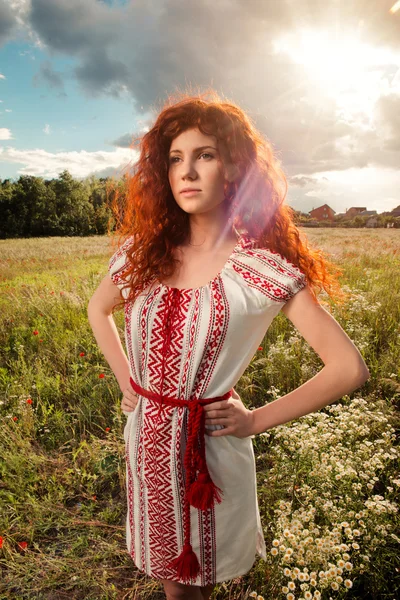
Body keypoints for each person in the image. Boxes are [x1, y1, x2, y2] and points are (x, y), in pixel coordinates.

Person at [87, 91, 370, 600]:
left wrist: (255, 420)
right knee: (174, 585)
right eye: (176, 159)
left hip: (208, 455)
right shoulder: (142, 252)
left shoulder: (260, 270)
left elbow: (348, 367)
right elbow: (97, 310)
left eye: (205, 155)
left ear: (235, 168)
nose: (187, 171)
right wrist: (129, 381)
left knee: (195, 584)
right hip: (145, 441)